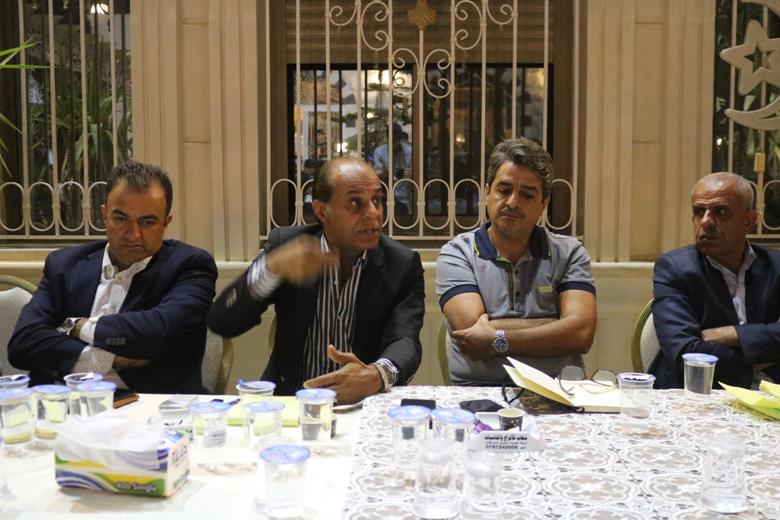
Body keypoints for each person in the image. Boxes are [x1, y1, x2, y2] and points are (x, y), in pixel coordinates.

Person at [208, 158, 424, 403]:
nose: (373, 213)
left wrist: (377, 374)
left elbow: (405, 341)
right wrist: (269, 270)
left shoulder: (401, 264)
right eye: (356, 203)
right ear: (321, 211)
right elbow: (222, 321)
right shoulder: (289, 247)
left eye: (377, 200)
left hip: (364, 404)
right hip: (292, 401)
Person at [8, 161, 217, 393]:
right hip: (57, 402)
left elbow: (160, 331)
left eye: (147, 222)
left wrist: (75, 326)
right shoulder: (64, 265)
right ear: (105, 214)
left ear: (166, 222)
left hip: (150, 405)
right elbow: (23, 343)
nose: (133, 234)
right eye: (121, 219)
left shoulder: (189, 266)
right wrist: (106, 358)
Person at [436, 138, 597, 385]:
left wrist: (497, 339)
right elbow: (473, 336)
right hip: (478, 391)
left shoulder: (569, 253)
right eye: (504, 190)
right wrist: (556, 326)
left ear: (543, 204)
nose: (512, 202)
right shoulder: (458, 253)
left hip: (559, 389)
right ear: (487, 192)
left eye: (527, 195)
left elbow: (581, 334)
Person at [650, 172, 780, 389]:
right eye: (699, 212)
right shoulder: (674, 268)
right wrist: (761, 358)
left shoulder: (776, 266)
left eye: (720, 212)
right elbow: (684, 352)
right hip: (695, 394)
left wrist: (734, 334)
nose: (706, 222)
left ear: (749, 221)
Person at [373, 123, 413, 216]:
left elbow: (415, 171)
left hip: (405, 195)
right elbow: (377, 172)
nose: (395, 144)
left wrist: (412, 173)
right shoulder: (379, 152)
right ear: (387, 138)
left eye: (397, 141)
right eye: (393, 141)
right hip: (386, 196)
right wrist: (387, 174)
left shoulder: (408, 151)